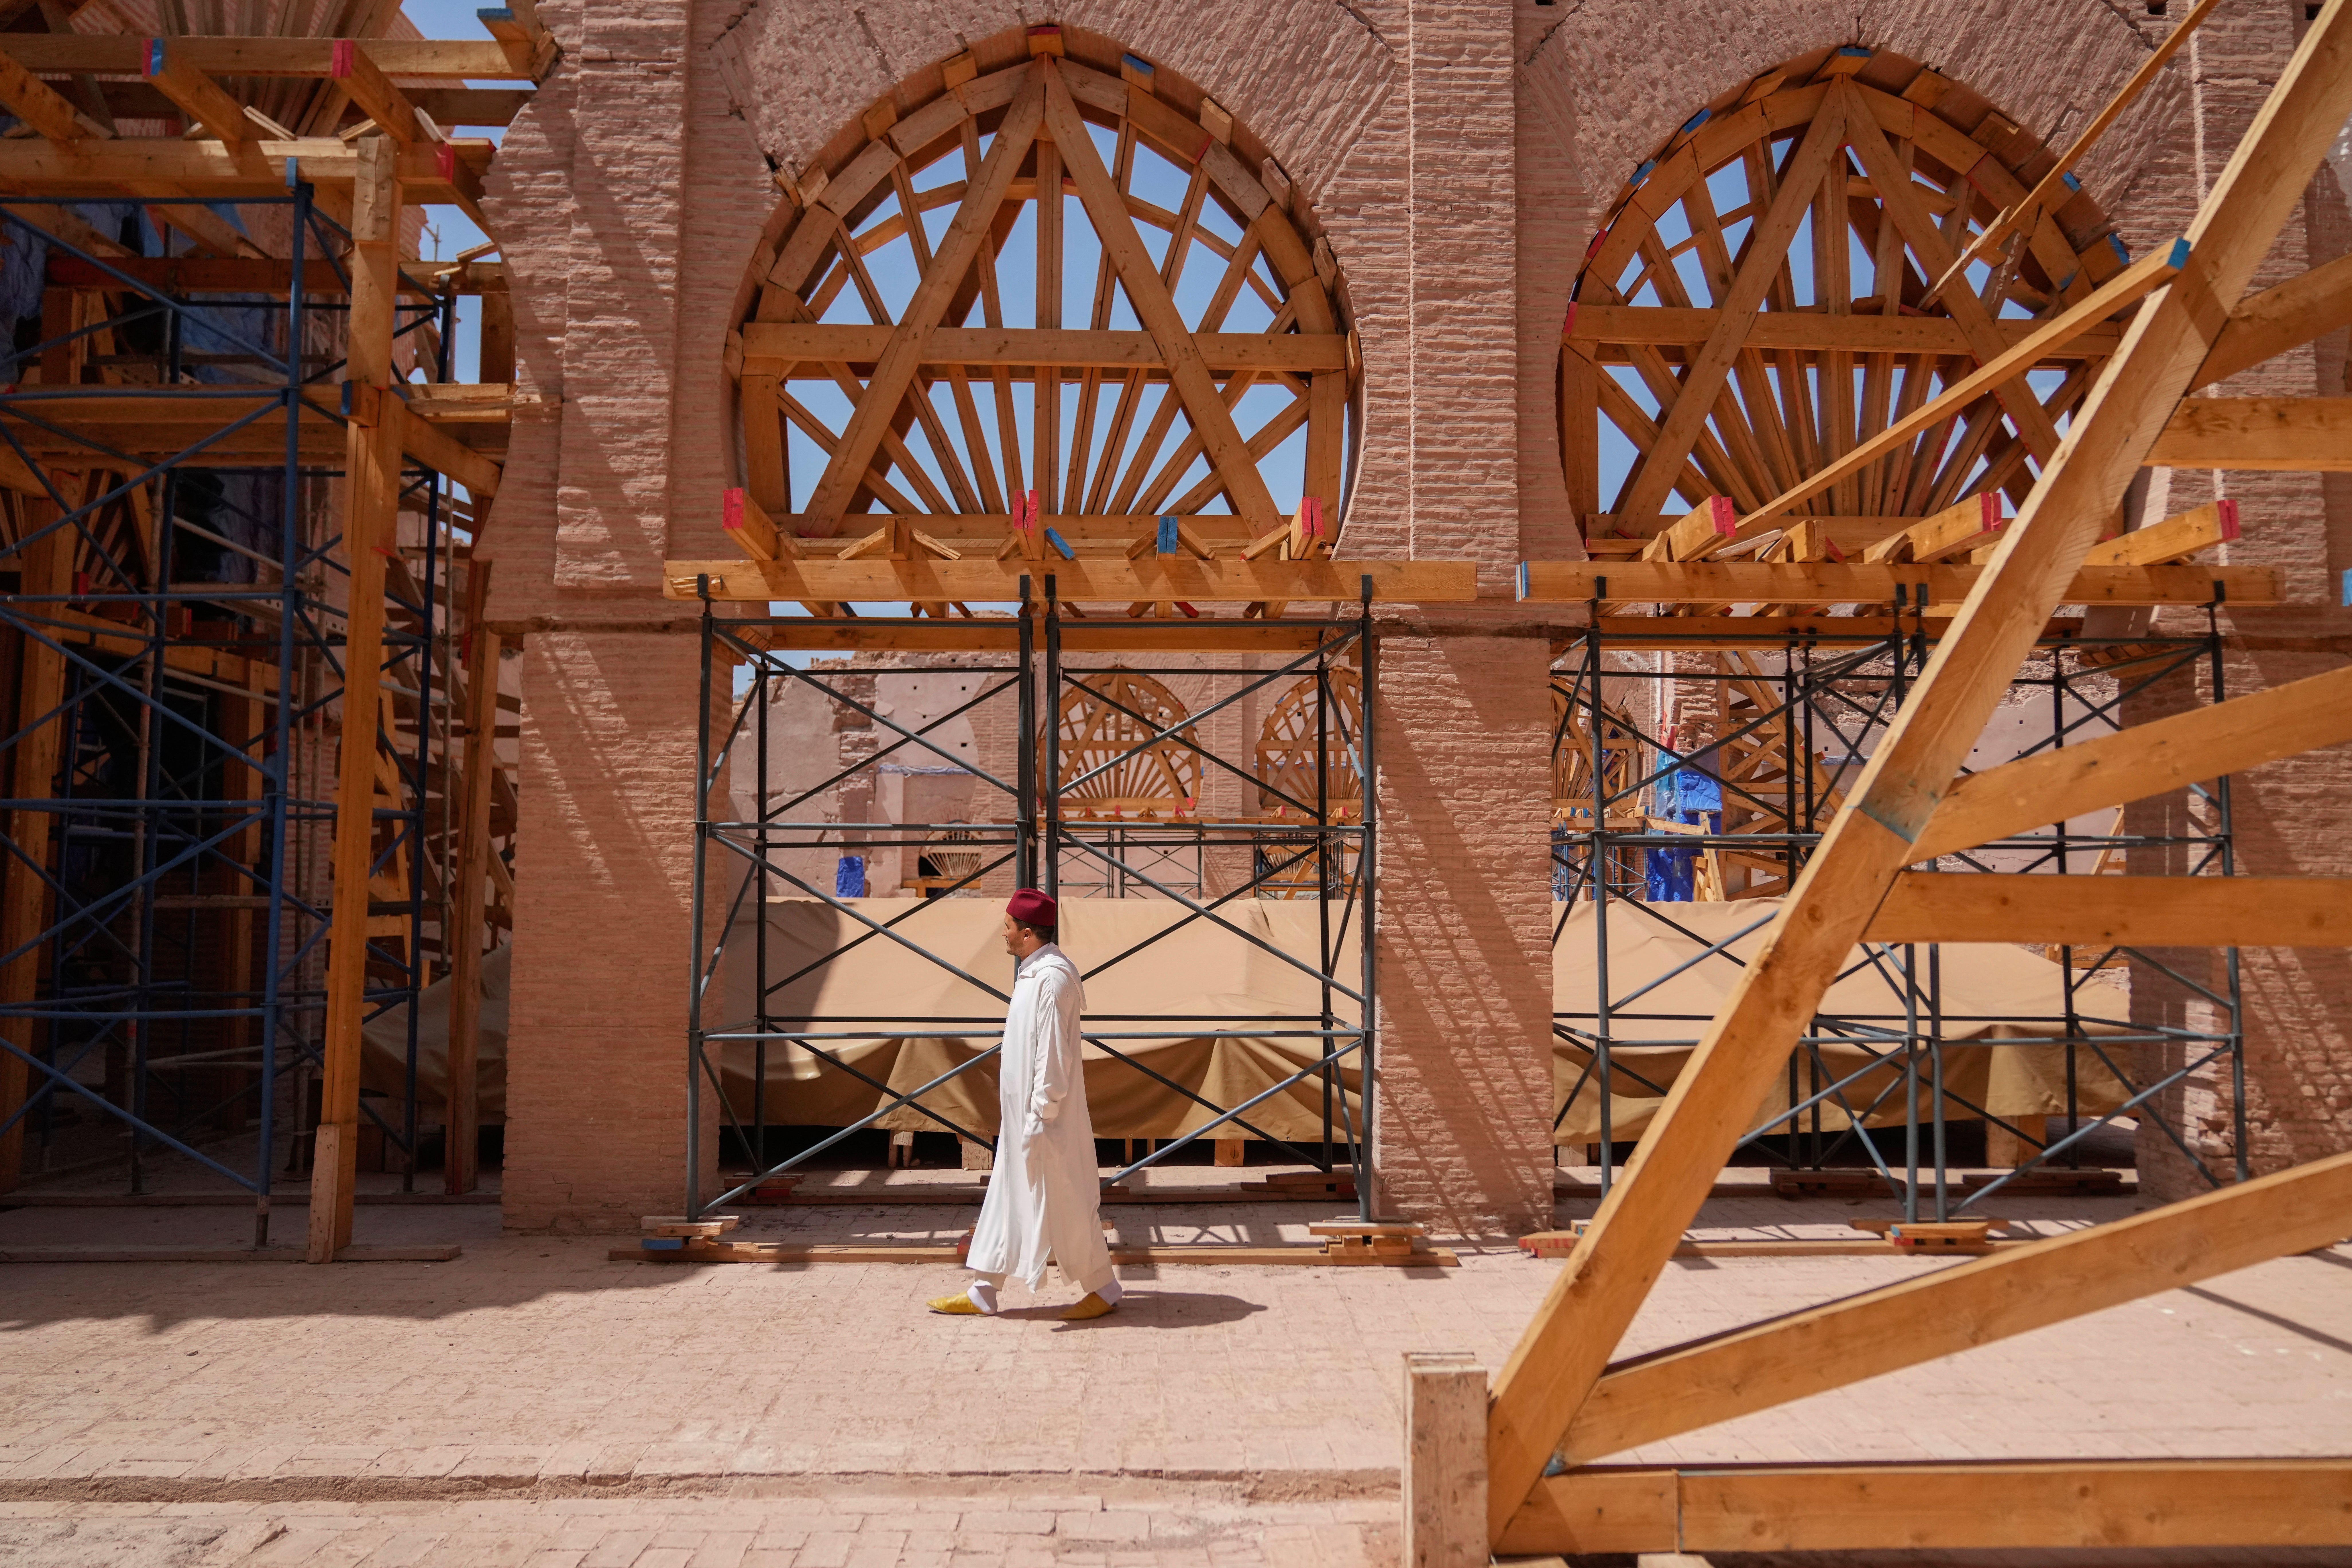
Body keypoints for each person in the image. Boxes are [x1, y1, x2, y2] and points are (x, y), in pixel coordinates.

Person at [929, 888, 1122, 1320]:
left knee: (1067, 1200)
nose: (1004, 933)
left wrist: (1042, 1113)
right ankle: (984, 1289)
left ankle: (1104, 1288)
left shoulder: (1052, 980)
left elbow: (1053, 1054)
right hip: (1024, 1119)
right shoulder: (1035, 974)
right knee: (1007, 1196)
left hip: (1044, 1121)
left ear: (1028, 933)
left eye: (1009, 926)